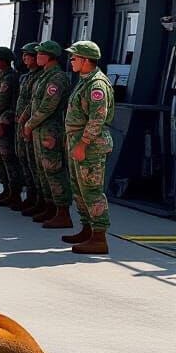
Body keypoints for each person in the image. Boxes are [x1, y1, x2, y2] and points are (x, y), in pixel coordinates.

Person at [63, 41, 115, 255]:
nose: (71, 61)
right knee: (79, 190)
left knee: (92, 191)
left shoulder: (96, 85)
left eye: (74, 57)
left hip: (90, 145)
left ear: (85, 60)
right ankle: (87, 229)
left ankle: (99, 237)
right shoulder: (84, 81)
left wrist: (83, 144)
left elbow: (97, 118)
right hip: (78, 141)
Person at [23, 40, 73, 229]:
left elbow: (47, 106)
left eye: (40, 54)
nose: (37, 57)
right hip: (40, 129)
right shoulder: (45, 76)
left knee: (54, 170)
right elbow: (34, 102)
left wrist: (29, 124)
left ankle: (63, 212)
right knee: (42, 170)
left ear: (49, 56)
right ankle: (50, 206)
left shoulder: (56, 78)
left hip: (50, 130)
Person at [0, 47, 21, 208]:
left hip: (3, 122)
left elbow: (1, 101)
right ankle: (6, 189)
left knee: (7, 157)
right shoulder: (1, 76)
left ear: (4, 60)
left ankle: (14, 192)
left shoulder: (9, 78)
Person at [13, 43, 43, 215]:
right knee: (24, 162)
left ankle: (38, 199)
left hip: (31, 126)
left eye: (28, 55)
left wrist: (26, 121)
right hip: (22, 124)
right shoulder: (27, 77)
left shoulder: (40, 78)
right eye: (23, 55)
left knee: (34, 165)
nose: (25, 58)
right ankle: (30, 198)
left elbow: (35, 104)